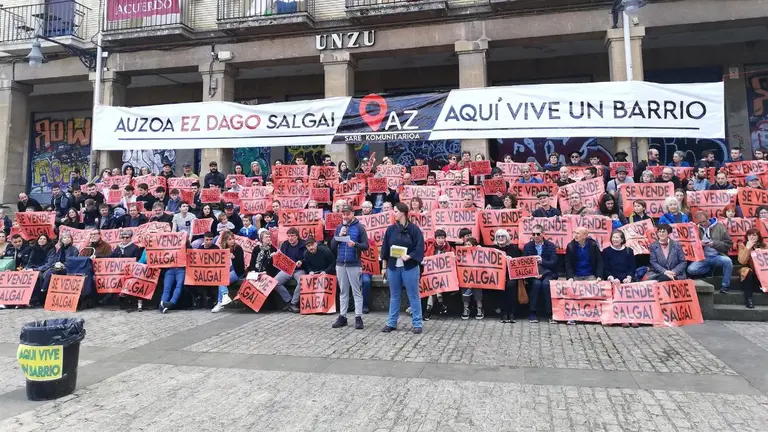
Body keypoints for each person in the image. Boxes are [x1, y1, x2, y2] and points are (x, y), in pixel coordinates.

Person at [380, 202, 425, 334]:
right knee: (394, 295)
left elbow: (419, 247)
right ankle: (391, 322)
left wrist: (410, 256)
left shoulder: (414, 230)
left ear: (403, 213)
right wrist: (384, 267)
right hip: (393, 266)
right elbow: (385, 249)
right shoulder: (391, 229)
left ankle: (417, 323)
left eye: (395, 211)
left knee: (413, 295)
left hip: (410, 266)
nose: (393, 213)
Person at [329, 204, 369, 329]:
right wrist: (339, 236)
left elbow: (366, 246)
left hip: (354, 264)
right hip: (341, 263)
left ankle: (358, 317)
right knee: (343, 292)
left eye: (348, 214)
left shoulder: (359, 228)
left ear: (353, 214)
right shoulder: (339, 227)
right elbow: (332, 246)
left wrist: (355, 244)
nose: (345, 216)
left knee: (356, 291)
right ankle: (343, 316)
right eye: (344, 214)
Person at [687, 211, 733, 294]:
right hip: (703, 257)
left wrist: (714, 244)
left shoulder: (720, 227)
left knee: (728, 261)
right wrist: (700, 244)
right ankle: (709, 269)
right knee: (691, 270)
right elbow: (690, 244)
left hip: (717, 256)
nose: (703, 224)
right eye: (700, 223)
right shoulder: (696, 228)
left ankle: (725, 286)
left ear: (708, 218)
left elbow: (729, 244)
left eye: (704, 221)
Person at [522, 224, 558, 323]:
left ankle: (550, 313)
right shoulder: (528, 246)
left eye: (538, 234)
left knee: (546, 284)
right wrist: (533, 273)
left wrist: (542, 261)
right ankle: (532, 312)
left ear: (543, 234)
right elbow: (524, 263)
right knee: (536, 284)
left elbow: (554, 263)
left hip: (548, 273)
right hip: (532, 274)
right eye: (533, 234)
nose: (535, 236)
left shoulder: (551, 246)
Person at [275, 228, 307, 313]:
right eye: (288, 236)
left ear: (297, 236)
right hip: (287, 269)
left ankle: (294, 303)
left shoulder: (303, 244)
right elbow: (281, 257)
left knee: (302, 282)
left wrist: (302, 261)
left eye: (292, 236)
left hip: (299, 269)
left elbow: (307, 257)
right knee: (275, 282)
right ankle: (288, 301)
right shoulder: (285, 244)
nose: (290, 238)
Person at [493, 229, 522, 322]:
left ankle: (512, 312)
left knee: (511, 285)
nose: (500, 238)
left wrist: (511, 260)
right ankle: (504, 312)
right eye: (498, 236)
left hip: (510, 275)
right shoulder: (493, 249)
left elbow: (519, 262)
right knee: (501, 286)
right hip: (497, 276)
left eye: (503, 236)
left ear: (507, 238)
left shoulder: (514, 249)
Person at [423, 229, 452, 319]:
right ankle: (440, 303)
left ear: (445, 238)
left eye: (442, 238)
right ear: (435, 239)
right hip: (432, 275)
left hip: (444, 276)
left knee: (434, 290)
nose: (440, 240)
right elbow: (426, 258)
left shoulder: (449, 248)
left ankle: (428, 310)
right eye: (438, 238)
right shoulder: (430, 248)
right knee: (435, 289)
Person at [737, 228, 764, 309]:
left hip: (762, 272)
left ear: (758, 236)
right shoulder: (742, 245)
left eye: (754, 235)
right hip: (749, 270)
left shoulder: (765, 245)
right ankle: (748, 299)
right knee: (746, 271)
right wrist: (747, 248)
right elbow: (742, 261)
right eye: (749, 235)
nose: (752, 237)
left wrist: (761, 252)